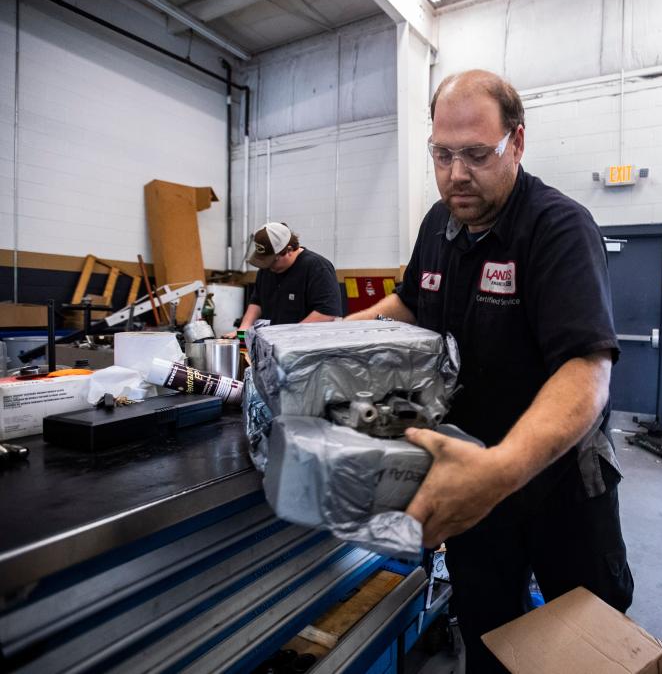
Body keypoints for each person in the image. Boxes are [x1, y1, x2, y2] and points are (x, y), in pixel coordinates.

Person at [348, 69, 633, 671]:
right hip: (473, 471)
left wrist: (502, 469)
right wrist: (337, 338)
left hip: (559, 483)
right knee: (487, 636)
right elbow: (410, 303)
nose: (457, 174)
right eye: (442, 154)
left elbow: (587, 368)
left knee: (591, 647)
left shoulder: (558, 228)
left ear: (517, 143)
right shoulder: (438, 224)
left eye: (477, 154)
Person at [228, 222, 341, 335]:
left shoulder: (317, 267)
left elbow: (326, 313)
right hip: (274, 343)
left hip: (306, 346)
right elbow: (257, 302)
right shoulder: (267, 268)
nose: (269, 266)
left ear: (289, 250)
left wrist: (289, 336)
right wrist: (243, 330)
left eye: (273, 261)